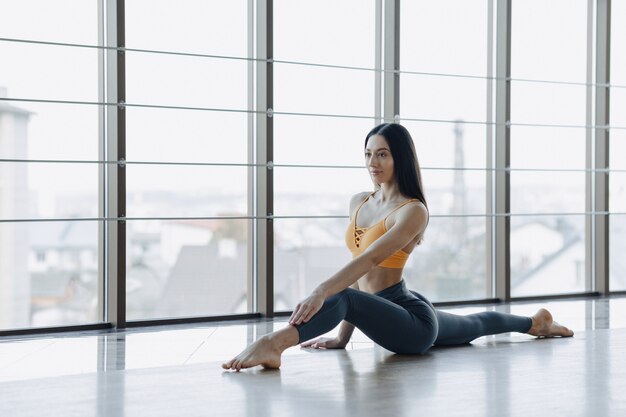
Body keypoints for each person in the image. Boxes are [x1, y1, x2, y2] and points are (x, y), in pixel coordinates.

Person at [222, 123, 574, 372]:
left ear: (400, 158)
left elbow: (372, 259)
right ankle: (536, 322)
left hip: (412, 322)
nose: (373, 163)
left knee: (344, 297)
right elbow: (360, 274)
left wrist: (320, 292)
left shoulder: (413, 211)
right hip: (396, 308)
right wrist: (342, 339)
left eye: (383, 155)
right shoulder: (359, 201)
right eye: (368, 154)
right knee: (475, 323)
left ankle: (275, 344)